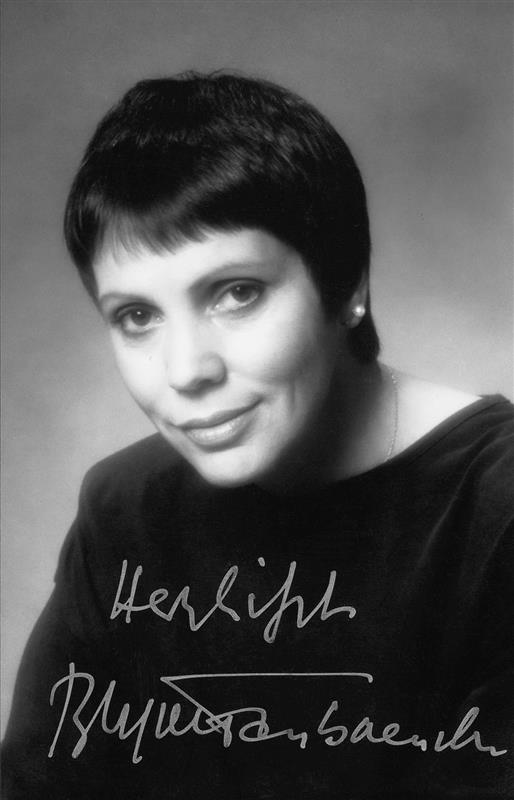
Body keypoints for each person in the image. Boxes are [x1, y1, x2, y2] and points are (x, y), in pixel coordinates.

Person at [2, 72, 513, 800]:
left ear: (349, 283)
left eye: (236, 293)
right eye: (137, 317)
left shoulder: (496, 503)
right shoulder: (123, 509)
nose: (187, 370)